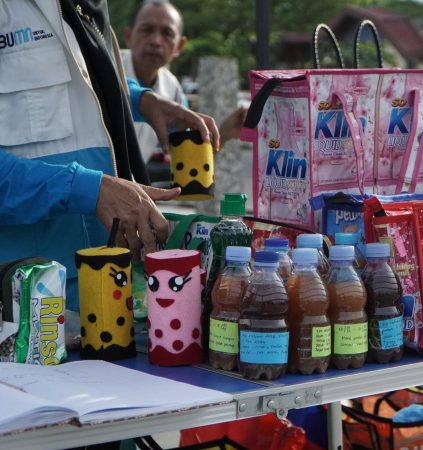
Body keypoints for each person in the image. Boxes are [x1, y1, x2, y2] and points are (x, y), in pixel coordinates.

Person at [0, 0, 220, 313]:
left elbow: (78, 79)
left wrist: (138, 99)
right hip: (25, 310)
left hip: (107, 293)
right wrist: (89, 190)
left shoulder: (88, 5)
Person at [122, 0, 245, 181]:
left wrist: (224, 133)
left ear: (179, 46)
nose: (156, 41)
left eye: (167, 33)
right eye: (147, 30)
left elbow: (188, 161)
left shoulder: (172, 88)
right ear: (128, 36)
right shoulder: (103, 66)